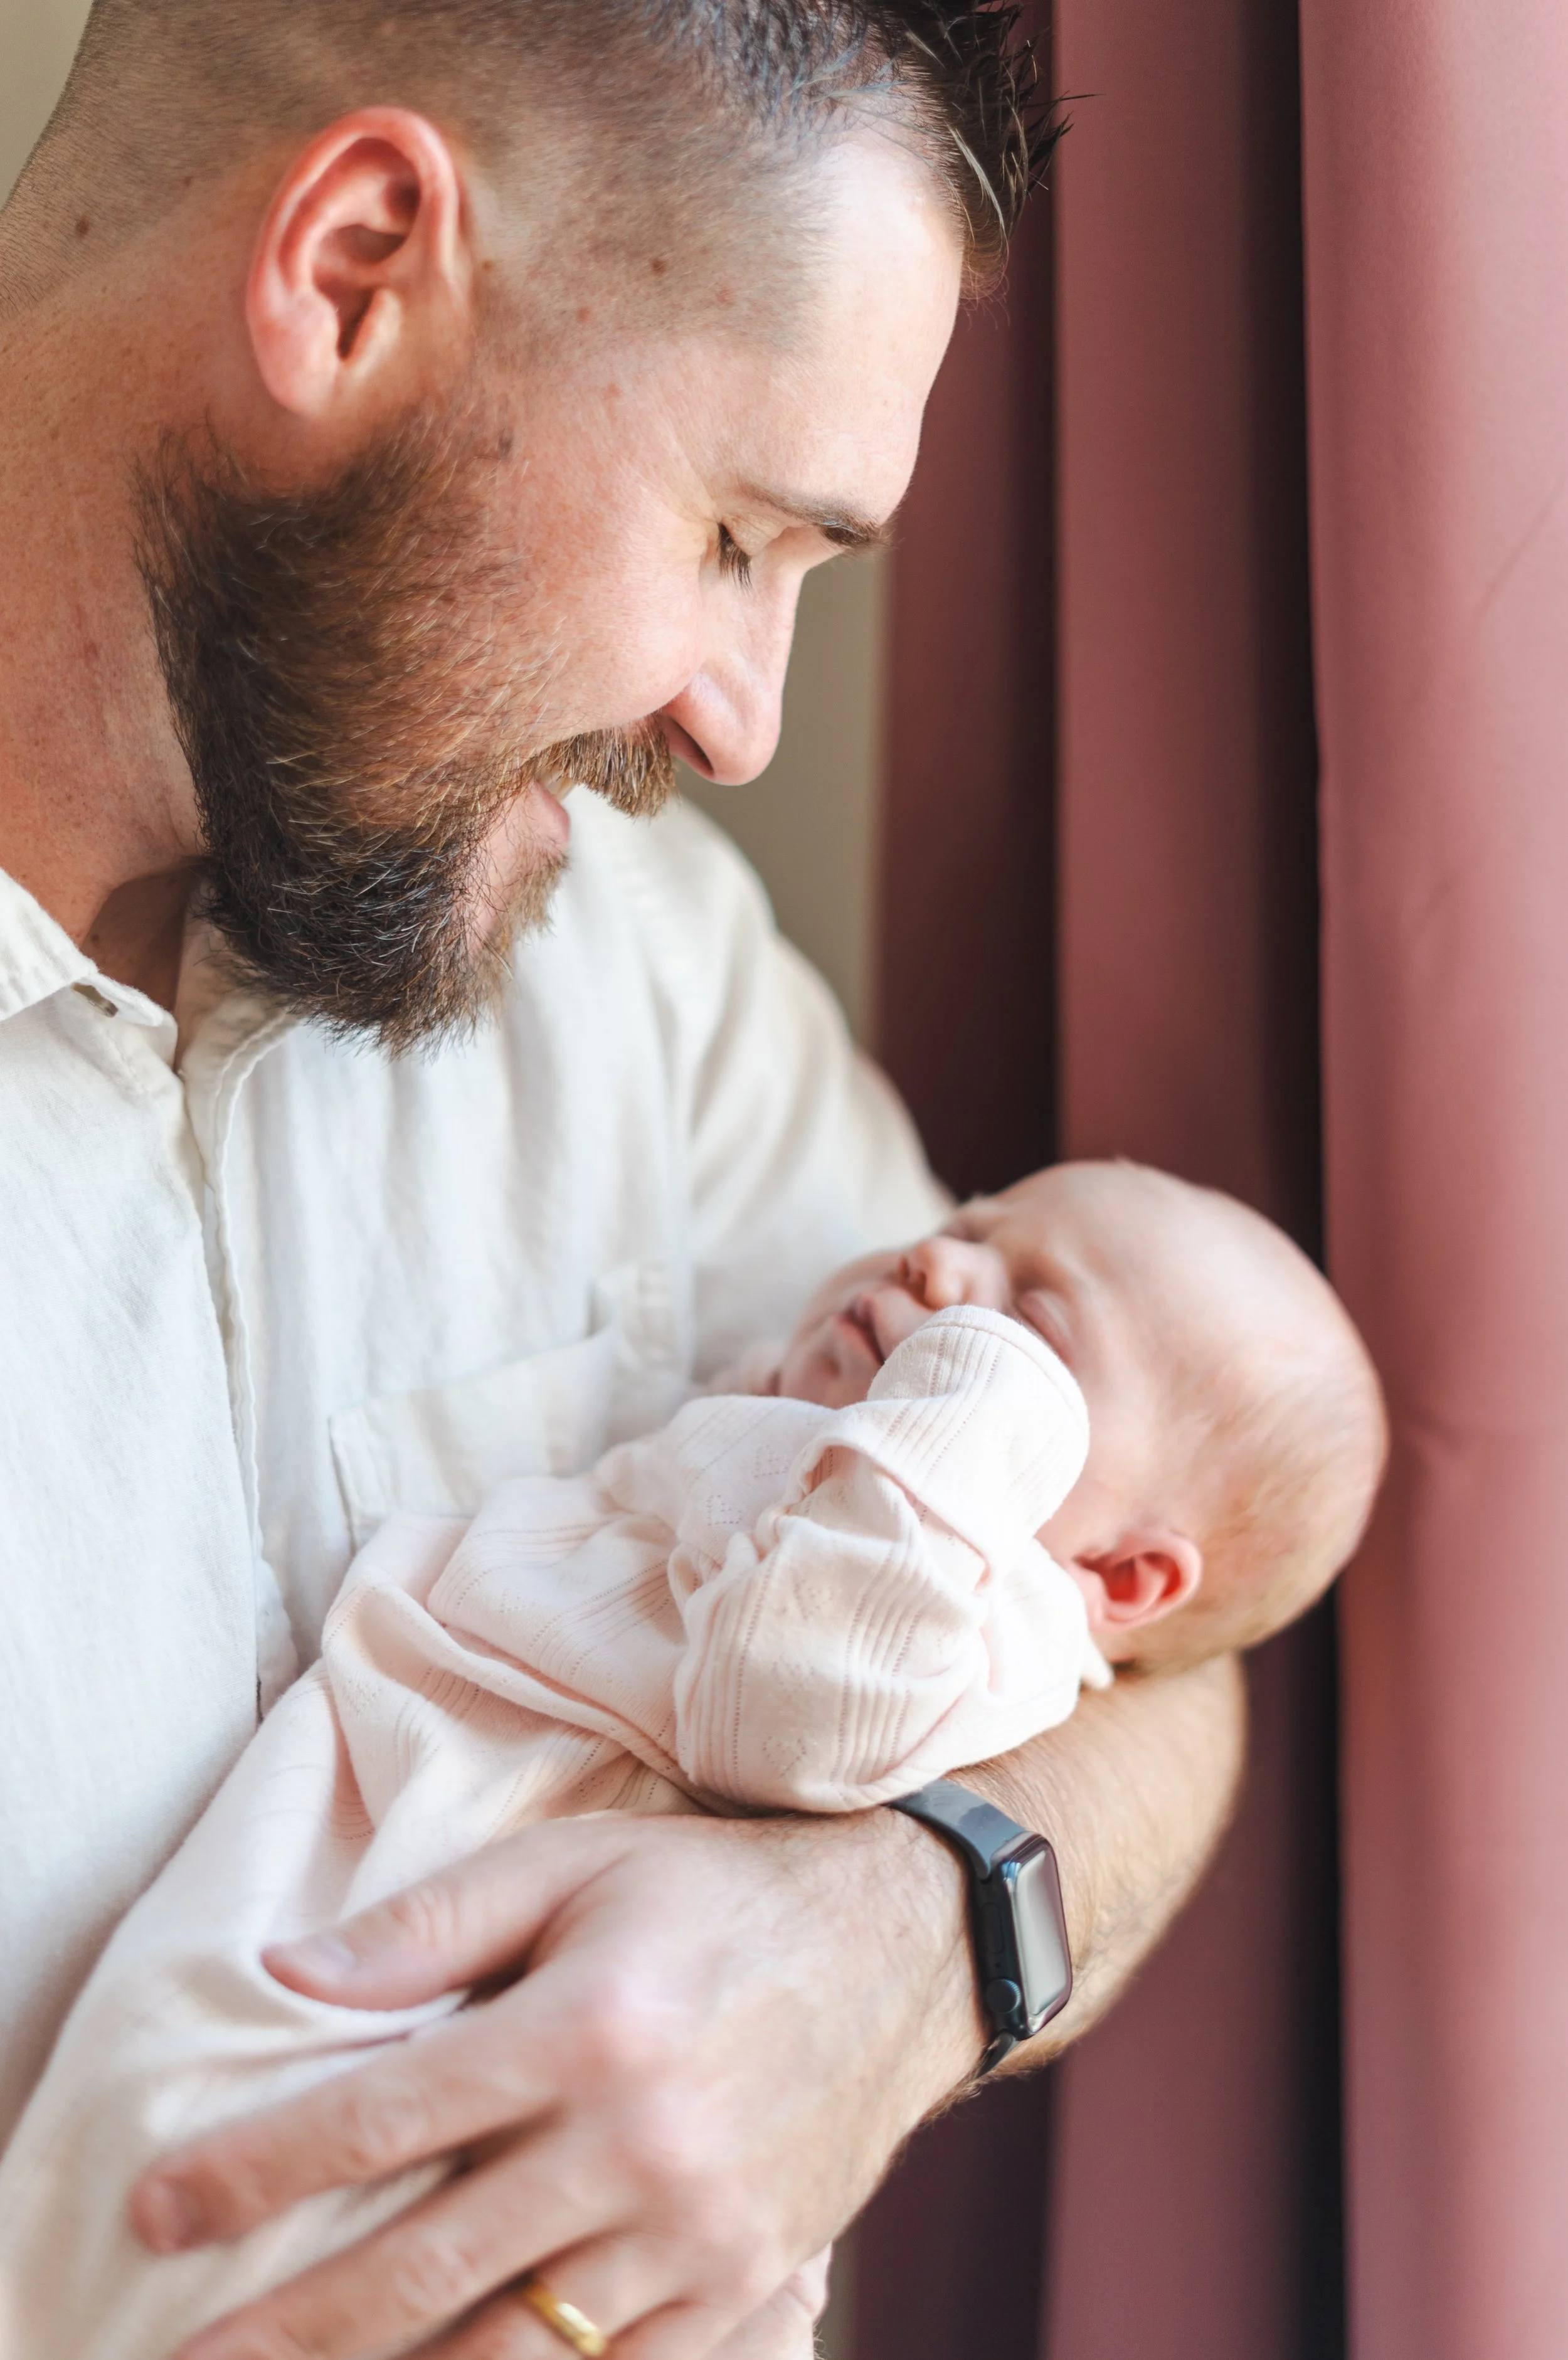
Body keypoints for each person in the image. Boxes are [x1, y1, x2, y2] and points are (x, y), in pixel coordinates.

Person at [0, 6, 1248, 2356]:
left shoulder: (630, 965)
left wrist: (900, 1948)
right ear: (353, 268)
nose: (742, 716)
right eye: (735, 537)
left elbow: (1169, 1638)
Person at [1, 1165, 1373, 2359]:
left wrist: (951, 1421)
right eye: (968, 1222)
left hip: (476, 2012)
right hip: (372, 1893)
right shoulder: (849, 1457)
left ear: (1121, 1579)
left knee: (217, 2233)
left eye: (1025, 1324)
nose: (939, 1262)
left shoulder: (982, 1611)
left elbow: (786, 1708)